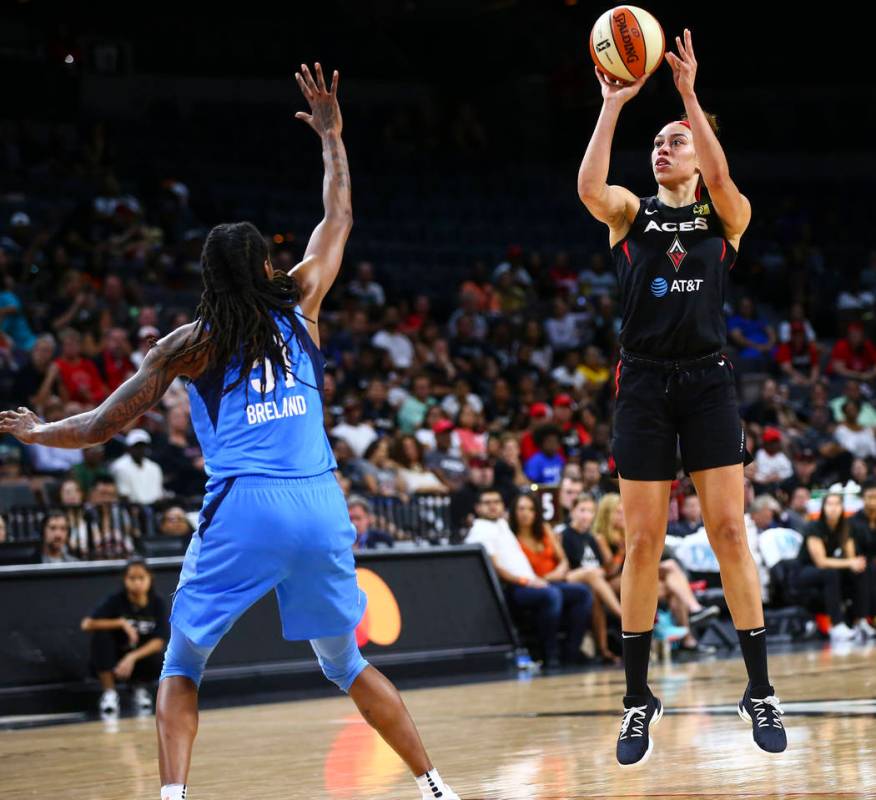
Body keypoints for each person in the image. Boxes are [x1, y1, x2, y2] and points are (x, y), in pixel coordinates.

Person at [0, 65, 459, 800]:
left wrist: (34, 430)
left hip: (245, 508)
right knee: (345, 666)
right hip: (320, 503)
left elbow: (100, 424)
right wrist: (333, 140)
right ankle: (436, 785)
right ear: (269, 266)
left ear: (208, 279)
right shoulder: (302, 305)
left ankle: (173, 798)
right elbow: (338, 218)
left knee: (182, 666)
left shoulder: (192, 341)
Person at [577, 29, 785, 764]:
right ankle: (638, 700)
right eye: (659, 141)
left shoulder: (725, 215)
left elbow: (726, 185)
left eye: (677, 141)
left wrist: (690, 98)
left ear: (700, 153)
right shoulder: (631, 213)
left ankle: (758, 689)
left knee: (730, 533)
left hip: (707, 382)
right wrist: (612, 105)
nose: (663, 148)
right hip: (642, 384)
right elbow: (588, 189)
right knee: (641, 543)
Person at [508, 493, 593, 666]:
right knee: (552, 595)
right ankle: (550, 652)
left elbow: (563, 561)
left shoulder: (545, 529)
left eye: (531, 509)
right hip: (526, 585)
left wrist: (551, 576)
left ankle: (572, 650)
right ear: (514, 512)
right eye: (521, 508)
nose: (526, 513)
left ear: (537, 512)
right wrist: (538, 580)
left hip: (550, 580)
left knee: (583, 593)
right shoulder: (509, 536)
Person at [80, 557, 169, 716]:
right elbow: (86, 624)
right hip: (115, 658)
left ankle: (139, 688)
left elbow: (159, 641)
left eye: (141, 578)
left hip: (139, 659)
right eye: (132, 578)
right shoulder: (115, 600)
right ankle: (109, 693)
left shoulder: (157, 603)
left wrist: (132, 657)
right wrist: (120, 623)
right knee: (100, 637)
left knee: (157, 654)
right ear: (124, 579)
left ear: (150, 578)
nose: (137, 583)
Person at [794, 493, 876, 642]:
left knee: (863, 568)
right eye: (829, 504)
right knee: (831, 573)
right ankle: (837, 625)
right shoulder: (814, 527)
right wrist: (850, 563)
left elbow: (850, 557)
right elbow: (821, 562)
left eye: (837, 504)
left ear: (842, 508)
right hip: (805, 571)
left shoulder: (845, 527)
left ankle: (861, 621)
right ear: (823, 508)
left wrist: (856, 564)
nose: (833, 508)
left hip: (831, 571)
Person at [556, 493, 622, 663]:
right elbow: (562, 564)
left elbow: (609, 569)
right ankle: (623, 615)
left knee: (595, 594)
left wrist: (617, 551)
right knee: (591, 574)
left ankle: (604, 649)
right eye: (582, 510)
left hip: (594, 581)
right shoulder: (563, 534)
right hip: (571, 577)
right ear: (572, 512)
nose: (586, 515)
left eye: (590, 511)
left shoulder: (594, 537)